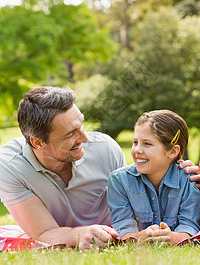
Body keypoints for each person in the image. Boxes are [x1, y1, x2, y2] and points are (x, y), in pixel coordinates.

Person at [0, 86, 127, 250]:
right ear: (38, 142)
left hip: (113, 230)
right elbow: (44, 232)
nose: (85, 138)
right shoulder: (11, 166)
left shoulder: (106, 149)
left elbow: (132, 210)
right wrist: (78, 235)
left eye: (81, 125)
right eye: (70, 134)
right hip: (55, 232)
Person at [108, 110, 200, 244]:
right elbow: (122, 228)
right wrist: (142, 236)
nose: (137, 150)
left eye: (147, 144)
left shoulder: (189, 180)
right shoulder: (119, 180)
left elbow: (190, 225)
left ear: (173, 151)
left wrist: (173, 238)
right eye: (135, 142)